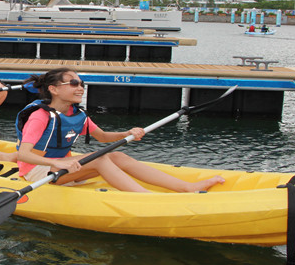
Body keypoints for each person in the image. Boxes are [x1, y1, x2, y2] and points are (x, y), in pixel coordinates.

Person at [15, 68, 225, 193]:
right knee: (100, 159)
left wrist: (126, 134)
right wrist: (56, 162)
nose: (80, 87)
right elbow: (24, 154)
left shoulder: (76, 114)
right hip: (38, 172)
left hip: (64, 167)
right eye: (73, 83)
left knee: (116, 154)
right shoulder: (40, 116)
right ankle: (144, 197)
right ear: (53, 89)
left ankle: (186, 187)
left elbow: (103, 137)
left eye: (82, 83)